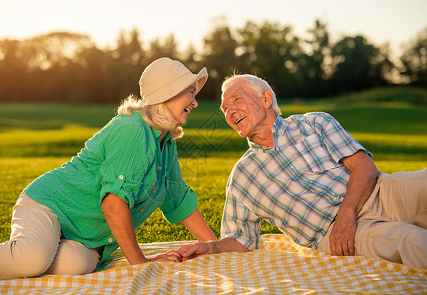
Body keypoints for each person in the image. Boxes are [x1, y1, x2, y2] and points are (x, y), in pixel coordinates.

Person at [0, 57, 217, 280]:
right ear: (168, 93)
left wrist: (214, 247)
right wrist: (141, 262)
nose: (195, 102)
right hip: (49, 205)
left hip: (84, 235)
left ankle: (32, 253)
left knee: (78, 265)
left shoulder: (165, 144)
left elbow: (178, 199)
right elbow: (113, 204)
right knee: (32, 259)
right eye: (191, 93)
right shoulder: (133, 130)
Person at [177, 74, 427, 269]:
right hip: (334, 235)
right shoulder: (242, 177)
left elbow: (364, 166)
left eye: (236, 100)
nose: (229, 112)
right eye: (224, 109)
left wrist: (347, 214)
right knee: (410, 239)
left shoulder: (315, 123)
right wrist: (210, 248)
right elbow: (241, 239)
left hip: (378, 191)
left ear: (265, 99)